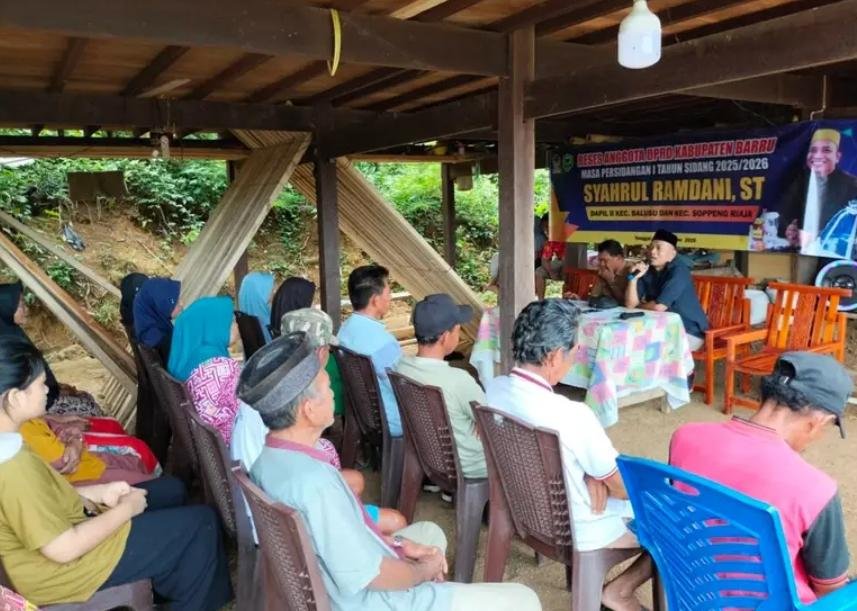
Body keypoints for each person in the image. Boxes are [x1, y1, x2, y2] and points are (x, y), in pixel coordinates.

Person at [239, 332, 542, 611]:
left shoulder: (267, 459)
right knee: (524, 599)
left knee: (430, 533)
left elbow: (345, 539)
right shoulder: (316, 484)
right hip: (368, 601)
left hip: (332, 575)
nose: (333, 394)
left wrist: (400, 545)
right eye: (328, 387)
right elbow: (371, 575)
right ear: (307, 409)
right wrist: (420, 571)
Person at [0, 336, 232, 609]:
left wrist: (99, 492)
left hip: (66, 530)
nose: (46, 390)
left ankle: (173, 581)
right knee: (201, 523)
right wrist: (126, 510)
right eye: (40, 384)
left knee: (172, 490)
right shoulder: (12, 467)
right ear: (14, 397)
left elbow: (42, 496)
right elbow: (63, 549)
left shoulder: (10, 443)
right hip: (62, 571)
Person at [486, 300, 651, 611]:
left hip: (527, 512)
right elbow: (620, 487)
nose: (575, 359)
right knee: (671, 521)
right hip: (581, 530)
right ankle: (620, 592)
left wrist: (589, 472)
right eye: (574, 352)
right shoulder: (573, 416)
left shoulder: (495, 390)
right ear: (553, 356)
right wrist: (598, 476)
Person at [670, 352, 854, 604]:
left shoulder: (686, 437)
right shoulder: (816, 490)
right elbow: (829, 591)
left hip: (694, 591)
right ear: (817, 422)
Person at [232, 311, 405, 535]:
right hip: (289, 519)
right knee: (396, 521)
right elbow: (308, 490)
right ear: (321, 352)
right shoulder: (295, 405)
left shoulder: (267, 388)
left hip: (264, 503)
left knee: (355, 480)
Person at [396, 294, 487, 479]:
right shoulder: (460, 380)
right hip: (470, 465)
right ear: (445, 337)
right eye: (458, 329)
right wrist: (481, 421)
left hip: (430, 457)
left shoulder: (401, 368)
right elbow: (491, 422)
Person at [0, 281, 102, 417]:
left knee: (86, 397)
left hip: (44, 393)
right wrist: (51, 413)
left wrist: (56, 387)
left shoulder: (13, 332)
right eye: (21, 305)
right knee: (90, 408)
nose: (26, 309)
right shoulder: (6, 344)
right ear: (6, 307)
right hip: (36, 404)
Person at [337, 265, 403, 437]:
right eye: (388, 293)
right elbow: (403, 388)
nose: (390, 298)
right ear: (375, 300)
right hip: (391, 420)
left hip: (362, 415)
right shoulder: (384, 342)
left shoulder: (345, 329)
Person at [167, 296, 242, 445]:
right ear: (214, 326)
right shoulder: (220, 368)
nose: (236, 325)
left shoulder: (193, 357)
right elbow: (248, 407)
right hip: (232, 443)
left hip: (210, 446)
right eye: (231, 321)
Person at [625, 229, 708, 351]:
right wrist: (633, 279)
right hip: (661, 326)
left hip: (688, 331)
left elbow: (658, 307)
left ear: (672, 254)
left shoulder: (679, 271)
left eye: (659, 248)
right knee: (629, 340)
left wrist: (637, 307)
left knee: (643, 346)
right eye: (651, 247)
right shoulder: (647, 269)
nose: (652, 251)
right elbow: (629, 304)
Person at [782, 128, 857, 251]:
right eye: (813, 150)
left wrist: (816, 236)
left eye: (826, 150)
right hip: (801, 251)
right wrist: (790, 230)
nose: (818, 156)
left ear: (837, 157)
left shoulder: (853, 185)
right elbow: (783, 213)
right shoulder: (798, 181)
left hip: (835, 254)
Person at [133, 277, 181, 363]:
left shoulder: (151, 327)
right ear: (159, 305)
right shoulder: (160, 339)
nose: (181, 304)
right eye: (175, 302)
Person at [238, 271, 275, 344]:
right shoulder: (267, 326)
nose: (274, 293)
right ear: (261, 295)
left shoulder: (242, 323)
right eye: (271, 290)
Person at [535, 215, 566, 300]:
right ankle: (541, 302)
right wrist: (551, 272)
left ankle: (565, 300)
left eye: (547, 227)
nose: (545, 231)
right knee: (539, 271)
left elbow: (566, 258)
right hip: (558, 263)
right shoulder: (549, 241)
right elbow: (544, 260)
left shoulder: (566, 235)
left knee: (566, 268)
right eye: (543, 228)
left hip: (568, 264)